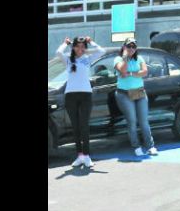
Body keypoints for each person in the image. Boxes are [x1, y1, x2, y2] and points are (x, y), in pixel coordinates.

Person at [56, 36, 105, 168]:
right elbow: (58, 53)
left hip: (85, 95)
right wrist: (65, 43)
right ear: (73, 47)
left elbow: (101, 51)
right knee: (76, 127)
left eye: (83, 47)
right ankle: (79, 155)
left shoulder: (87, 59)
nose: (80, 49)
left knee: (84, 125)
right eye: (78, 46)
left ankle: (87, 155)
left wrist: (91, 42)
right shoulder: (68, 60)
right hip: (71, 96)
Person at [114, 37, 158, 157]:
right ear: (124, 47)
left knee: (144, 121)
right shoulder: (118, 59)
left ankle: (150, 146)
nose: (132, 49)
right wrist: (125, 56)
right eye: (129, 46)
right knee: (132, 121)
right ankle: (136, 146)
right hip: (124, 94)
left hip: (139, 92)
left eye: (134, 46)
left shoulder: (139, 58)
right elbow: (122, 69)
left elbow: (145, 72)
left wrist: (131, 74)